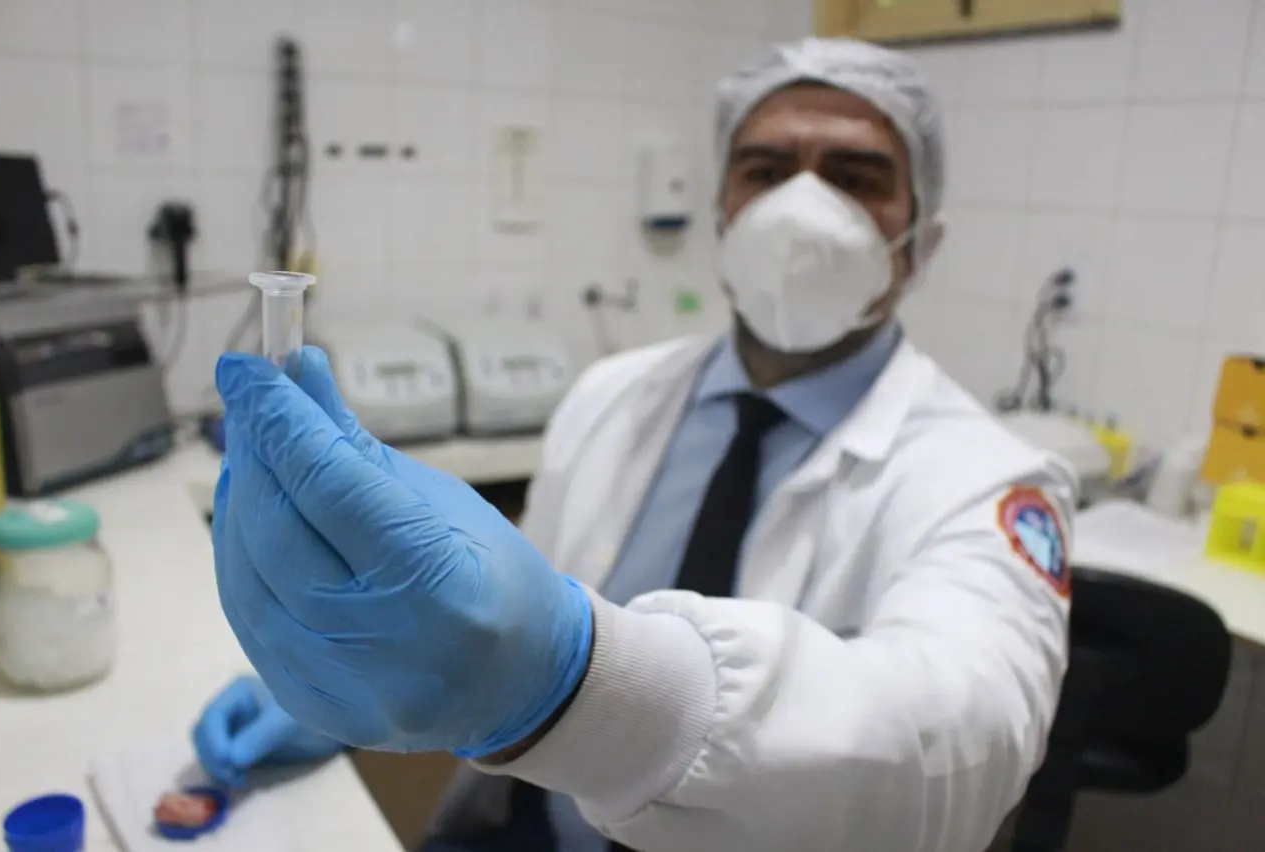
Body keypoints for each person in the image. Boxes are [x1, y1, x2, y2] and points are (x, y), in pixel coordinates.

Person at [198, 37, 1076, 852]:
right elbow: (498, 610)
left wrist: (581, 685)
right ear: (724, 211)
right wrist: (378, 684)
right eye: (766, 171)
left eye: (855, 177)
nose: (804, 208)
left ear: (920, 242)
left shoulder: (987, 477)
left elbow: (966, 742)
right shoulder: (610, 394)